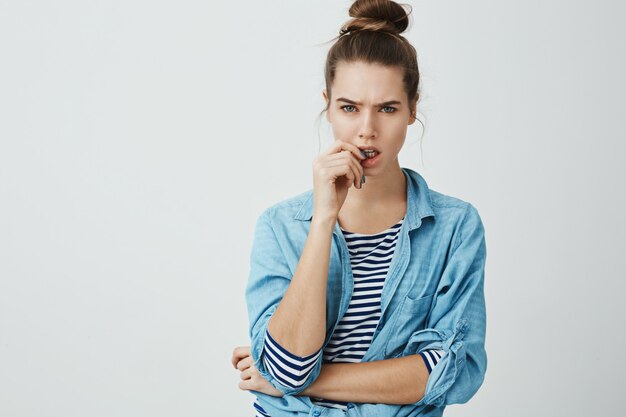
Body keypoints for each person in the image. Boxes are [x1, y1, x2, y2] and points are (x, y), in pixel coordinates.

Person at [231, 1, 488, 416]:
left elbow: (449, 373)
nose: (367, 129)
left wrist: (295, 382)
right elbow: (288, 368)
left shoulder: (455, 227)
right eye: (349, 107)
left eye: (387, 108)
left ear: (412, 110)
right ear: (328, 106)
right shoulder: (280, 227)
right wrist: (323, 220)